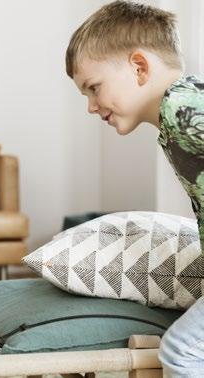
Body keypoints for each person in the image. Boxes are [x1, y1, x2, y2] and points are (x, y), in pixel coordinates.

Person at [65, 1, 204, 376]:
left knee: (182, 352)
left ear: (139, 67)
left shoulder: (181, 107)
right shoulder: (178, 114)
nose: (92, 107)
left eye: (94, 88)